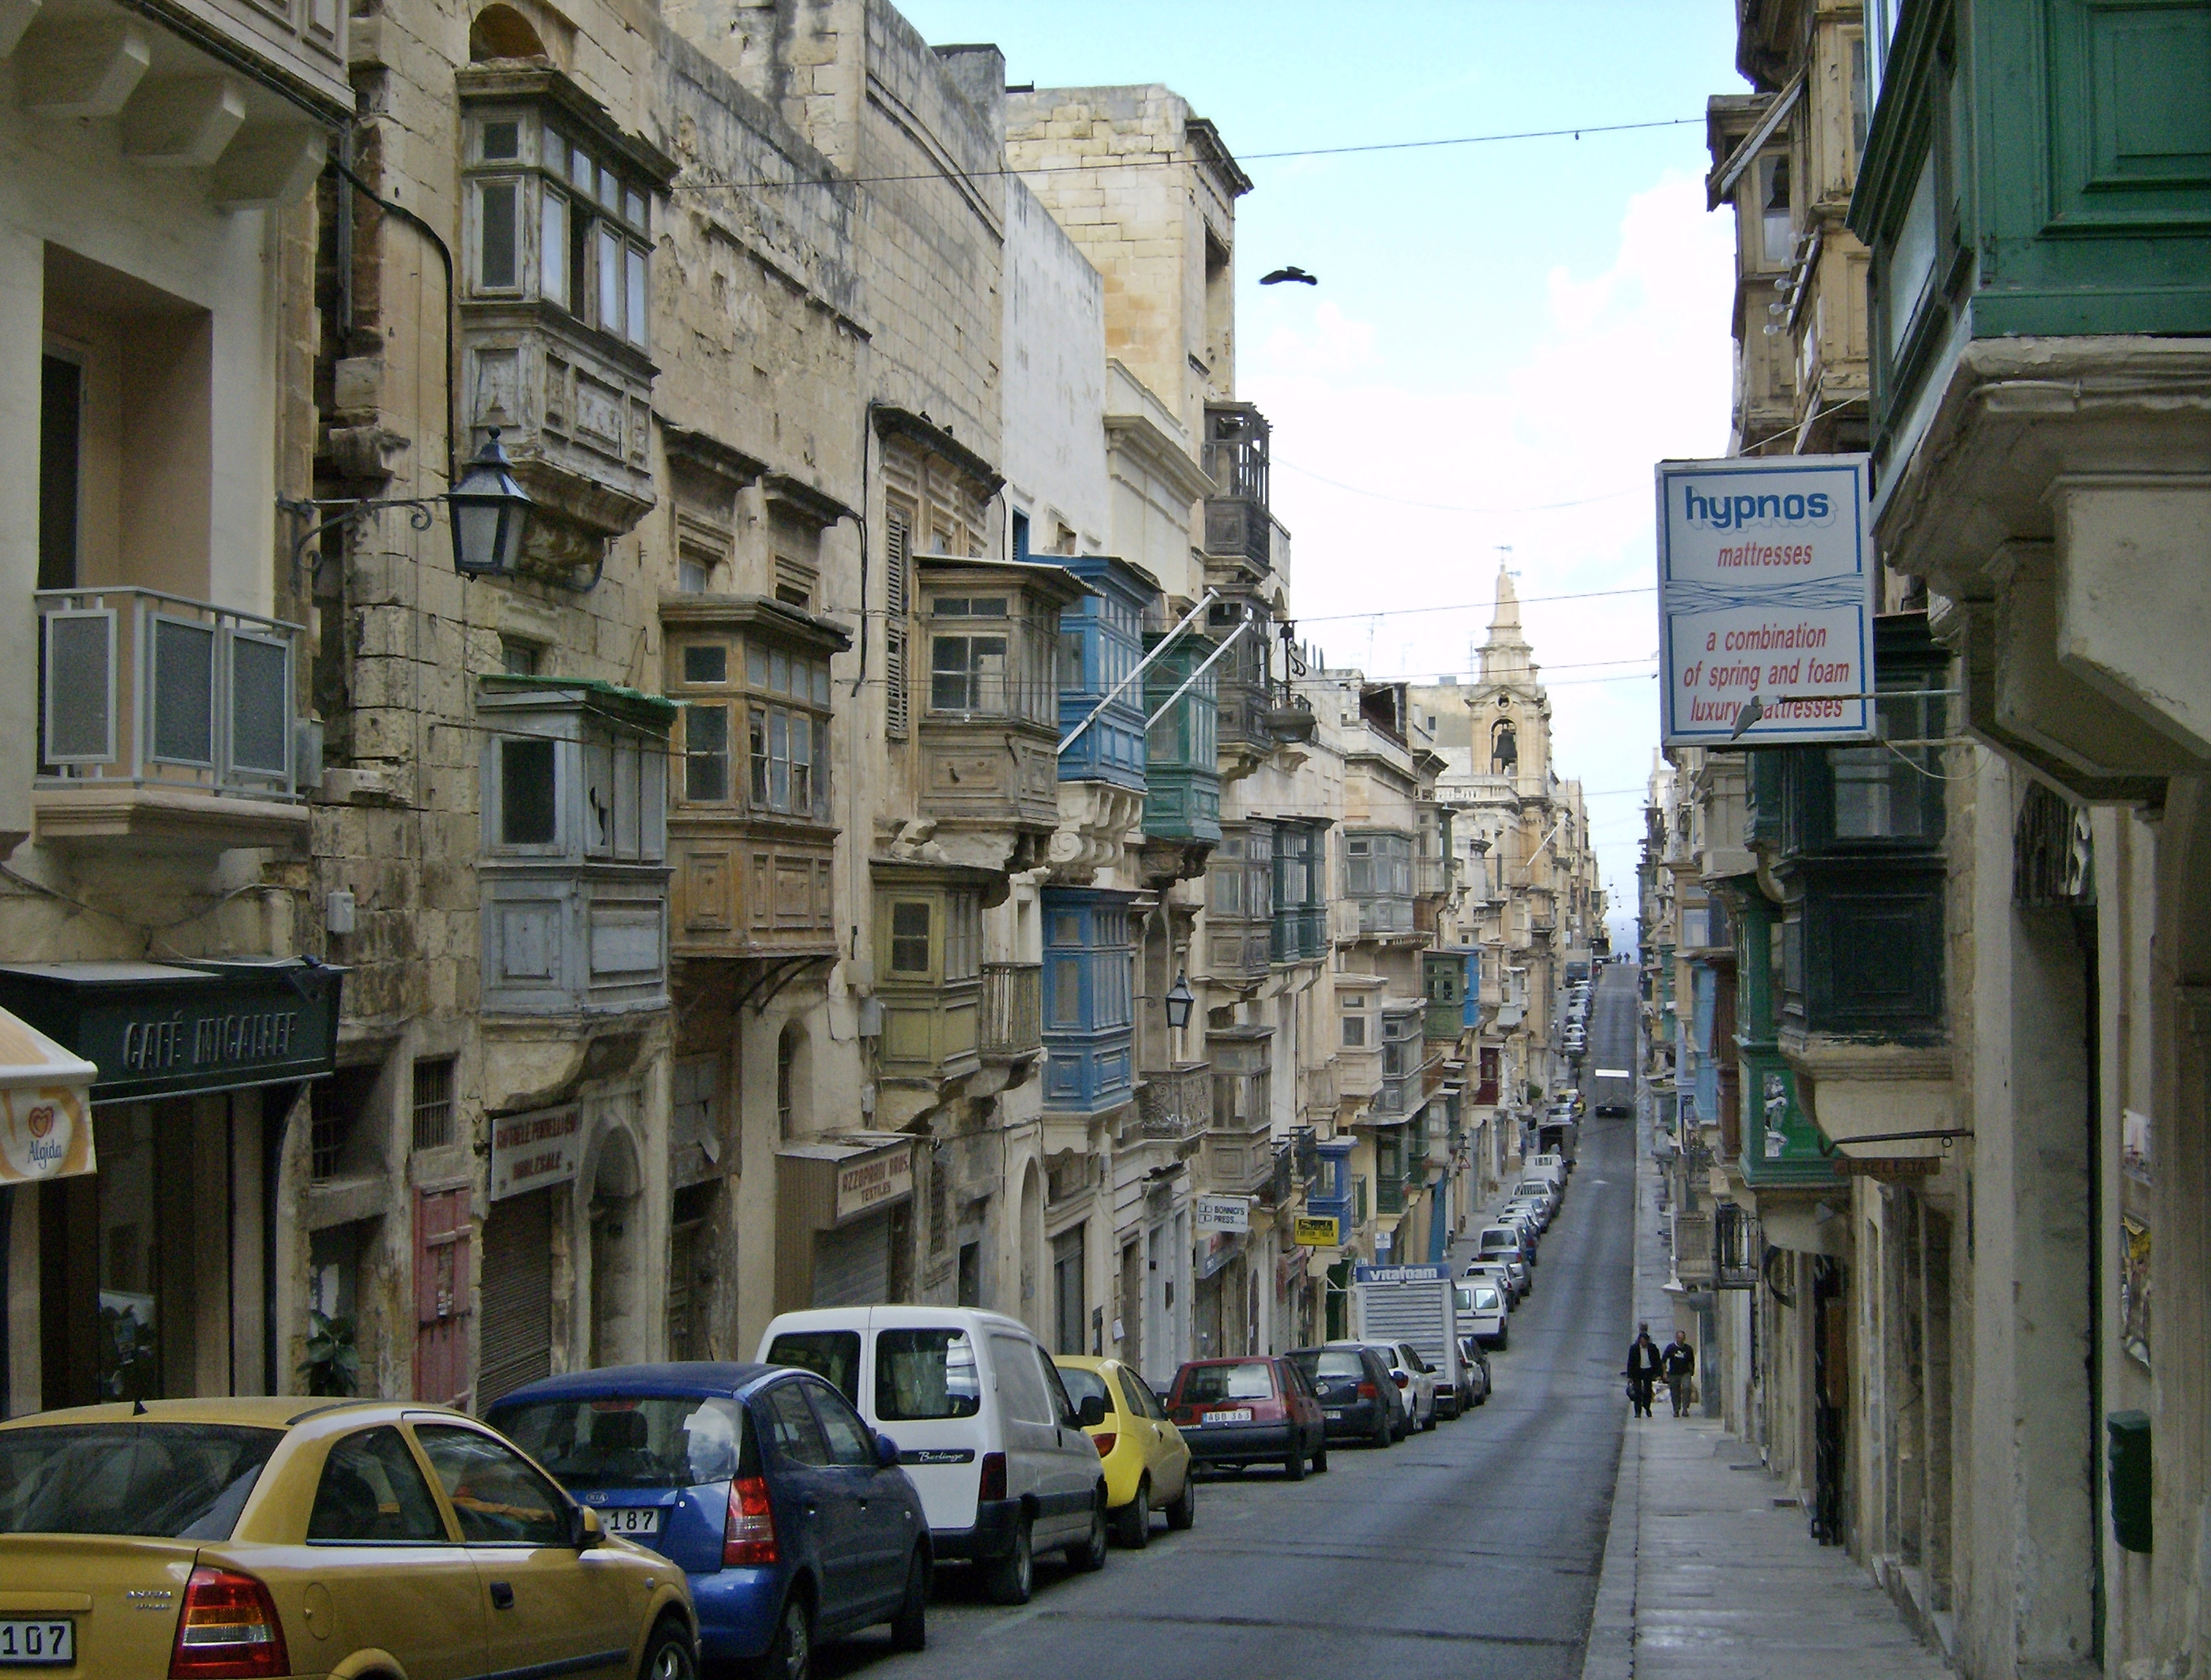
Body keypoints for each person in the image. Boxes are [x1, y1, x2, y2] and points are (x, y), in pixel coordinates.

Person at [1624, 1324, 1661, 1417]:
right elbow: (1630, 1362)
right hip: (1637, 1371)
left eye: (1645, 1341)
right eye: (1642, 1341)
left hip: (1648, 1371)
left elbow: (1657, 1361)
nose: (1643, 1343)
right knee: (1637, 1391)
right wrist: (1629, 1376)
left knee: (1648, 1390)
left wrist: (1658, 1373)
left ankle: (1647, 1406)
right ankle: (1638, 1411)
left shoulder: (1652, 1348)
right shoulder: (1634, 1348)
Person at [1661, 1329, 1697, 1417]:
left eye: (1682, 1338)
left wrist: (1692, 1371)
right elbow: (1664, 1361)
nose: (1681, 1340)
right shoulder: (1670, 1348)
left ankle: (1685, 1408)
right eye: (1679, 1338)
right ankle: (1676, 1409)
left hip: (1685, 1372)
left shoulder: (1688, 1349)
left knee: (1686, 1388)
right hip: (1674, 1373)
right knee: (1675, 1391)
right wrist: (1664, 1373)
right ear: (1676, 1338)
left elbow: (1691, 1361)